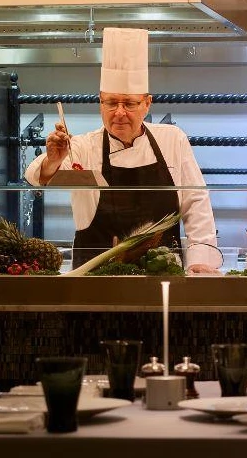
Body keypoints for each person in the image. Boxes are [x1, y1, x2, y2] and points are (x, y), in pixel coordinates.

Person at [24, 27, 222, 274]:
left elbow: (196, 203)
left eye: (129, 103)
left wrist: (199, 260)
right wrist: (53, 159)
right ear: (100, 102)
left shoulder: (172, 139)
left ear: (147, 103)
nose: (119, 112)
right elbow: (36, 177)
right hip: (94, 278)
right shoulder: (84, 146)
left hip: (161, 274)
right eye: (111, 102)